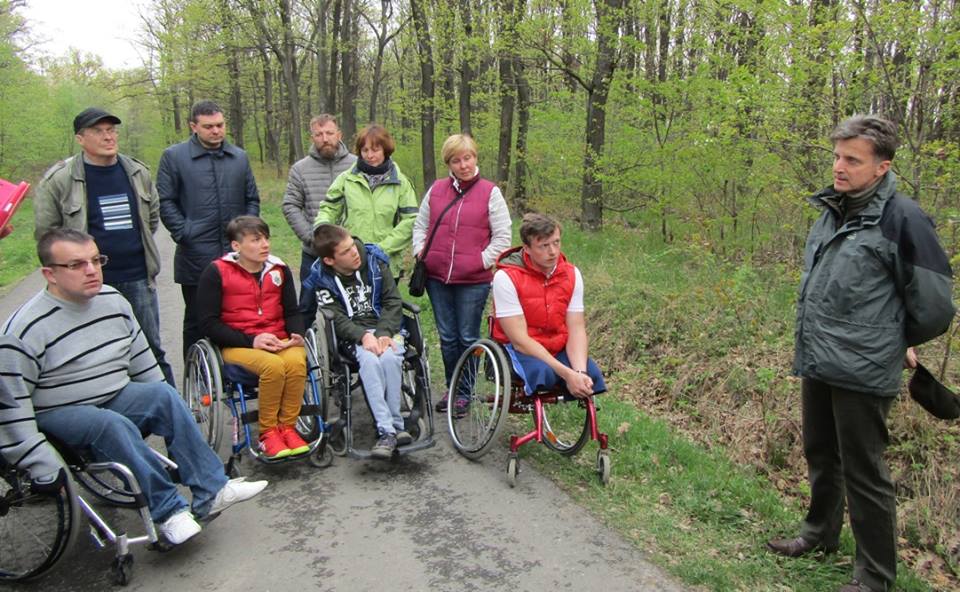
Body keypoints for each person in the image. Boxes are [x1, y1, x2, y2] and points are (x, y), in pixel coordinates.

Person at [767, 115, 955, 592]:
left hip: (865, 367)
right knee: (820, 453)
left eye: (852, 159)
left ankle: (874, 575)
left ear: (881, 167)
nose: (839, 166)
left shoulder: (904, 218)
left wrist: (896, 339)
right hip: (820, 356)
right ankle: (818, 535)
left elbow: (934, 306)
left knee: (865, 471)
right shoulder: (835, 208)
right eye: (837, 155)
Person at [0, 228, 267, 546]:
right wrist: (41, 464)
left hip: (113, 393)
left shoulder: (113, 301)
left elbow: (143, 362)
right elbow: (12, 407)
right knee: (109, 424)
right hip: (58, 411)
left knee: (163, 394)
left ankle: (212, 489)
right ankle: (168, 512)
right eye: (76, 264)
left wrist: (167, 410)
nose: (91, 270)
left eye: (96, 260)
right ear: (50, 274)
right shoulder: (24, 330)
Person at [33, 107, 176, 386]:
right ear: (80, 138)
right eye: (98, 131)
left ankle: (170, 413)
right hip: (86, 281)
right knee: (91, 352)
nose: (108, 137)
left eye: (111, 130)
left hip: (136, 275)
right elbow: (47, 236)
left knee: (149, 347)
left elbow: (152, 219)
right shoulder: (60, 179)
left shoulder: (136, 171)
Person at [412, 134, 511, 412]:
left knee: (467, 336)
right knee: (447, 337)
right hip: (437, 278)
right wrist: (421, 252)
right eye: (457, 160)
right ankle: (452, 387)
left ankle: (465, 392)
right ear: (449, 164)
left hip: (473, 281)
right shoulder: (437, 190)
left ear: (475, 158)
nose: (464, 164)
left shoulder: (490, 192)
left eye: (467, 158)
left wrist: (480, 261)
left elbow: (503, 237)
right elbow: (420, 226)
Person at [196, 216, 310, 459]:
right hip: (237, 343)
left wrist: (296, 334)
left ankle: (288, 427)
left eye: (266, 238)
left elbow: (292, 310)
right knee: (273, 366)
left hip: (278, 338)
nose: (265, 244)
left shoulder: (278, 269)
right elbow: (207, 323)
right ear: (236, 246)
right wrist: (252, 340)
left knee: (297, 361)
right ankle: (268, 433)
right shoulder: (216, 272)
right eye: (256, 240)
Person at [157, 100, 260, 360]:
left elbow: (252, 198)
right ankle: (196, 375)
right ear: (194, 126)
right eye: (208, 126)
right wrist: (184, 233)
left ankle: (237, 371)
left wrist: (247, 237)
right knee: (197, 319)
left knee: (240, 314)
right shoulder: (174, 157)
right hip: (196, 254)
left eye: (220, 125)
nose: (216, 131)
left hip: (237, 255)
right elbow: (165, 200)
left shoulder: (239, 157)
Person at [309, 224, 411, 459]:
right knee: (370, 360)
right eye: (345, 252)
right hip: (353, 335)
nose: (354, 252)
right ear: (329, 260)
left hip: (385, 326)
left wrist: (383, 333)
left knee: (390, 356)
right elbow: (336, 317)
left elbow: (392, 301)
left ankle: (394, 425)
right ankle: (389, 429)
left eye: (352, 246)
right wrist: (363, 336)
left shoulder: (375, 261)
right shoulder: (321, 278)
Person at [489, 213, 606, 409]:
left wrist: (579, 373)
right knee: (545, 372)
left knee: (590, 373)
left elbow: (576, 328)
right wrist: (567, 374)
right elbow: (520, 341)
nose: (553, 252)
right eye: (544, 246)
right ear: (526, 248)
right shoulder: (506, 277)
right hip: (520, 349)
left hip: (557, 344)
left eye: (556, 243)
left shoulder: (571, 274)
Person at [312, 124, 418, 277]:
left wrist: (382, 248)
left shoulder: (401, 183)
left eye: (375, 150)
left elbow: (410, 221)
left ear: (385, 150)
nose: (370, 155)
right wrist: (322, 228)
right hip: (350, 260)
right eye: (365, 150)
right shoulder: (346, 179)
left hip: (386, 262)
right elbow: (329, 209)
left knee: (385, 302)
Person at [282, 114, 357, 324]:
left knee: (352, 307)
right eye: (319, 134)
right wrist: (310, 237)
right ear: (312, 137)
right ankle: (302, 353)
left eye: (329, 133)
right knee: (306, 307)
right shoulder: (300, 169)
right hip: (313, 254)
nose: (325, 139)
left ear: (339, 135)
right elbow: (290, 205)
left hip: (350, 252)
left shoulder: (356, 166)